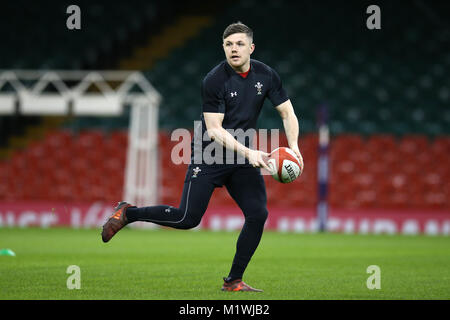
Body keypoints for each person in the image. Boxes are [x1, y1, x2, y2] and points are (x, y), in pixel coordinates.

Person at [101, 22, 301, 292]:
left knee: (257, 214)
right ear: (223, 48)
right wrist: (249, 152)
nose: (234, 49)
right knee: (187, 218)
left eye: (240, 44)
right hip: (210, 154)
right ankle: (128, 212)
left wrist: (295, 147)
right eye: (229, 44)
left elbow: (287, 113)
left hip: (242, 157)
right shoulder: (215, 80)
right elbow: (215, 130)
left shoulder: (266, 75)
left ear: (251, 47)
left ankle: (233, 281)